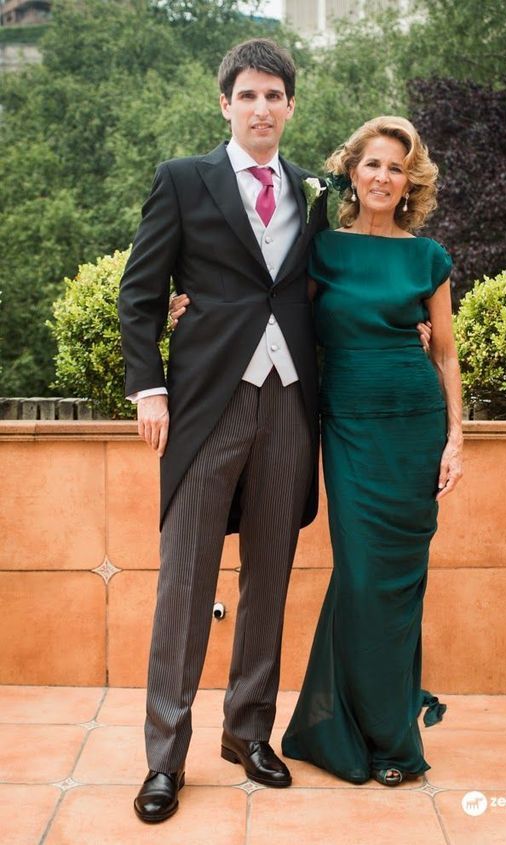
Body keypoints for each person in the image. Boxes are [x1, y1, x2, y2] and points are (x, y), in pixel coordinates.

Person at [118, 39, 330, 823]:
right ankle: (164, 758)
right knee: (186, 584)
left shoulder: (314, 192)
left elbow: (324, 286)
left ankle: (248, 732)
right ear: (225, 104)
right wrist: (149, 386)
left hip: (291, 403)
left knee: (270, 574)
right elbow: (140, 293)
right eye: (248, 95)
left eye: (275, 95)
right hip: (206, 402)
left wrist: (403, 327)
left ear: (291, 106)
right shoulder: (183, 180)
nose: (263, 108)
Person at [280, 116, 463, 786]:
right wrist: (194, 307)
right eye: (373, 165)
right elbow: (278, 314)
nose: (383, 177)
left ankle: (390, 740)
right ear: (352, 173)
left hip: (414, 428)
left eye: (396, 168)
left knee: (397, 587)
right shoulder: (323, 248)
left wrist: (457, 437)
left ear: (408, 181)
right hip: (350, 427)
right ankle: (351, 723)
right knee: (361, 579)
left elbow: (444, 352)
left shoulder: (427, 257)